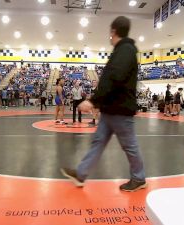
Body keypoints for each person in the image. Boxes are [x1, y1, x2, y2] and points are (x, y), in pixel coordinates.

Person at [61, 16, 146, 192]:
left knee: (129, 145)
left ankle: (139, 178)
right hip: (110, 109)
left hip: (120, 109)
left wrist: (93, 101)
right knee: (98, 142)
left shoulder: (126, 50)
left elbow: (115, 78)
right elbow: (112, 78)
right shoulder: (122, 50)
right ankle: (81, 174)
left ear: (113, 31)